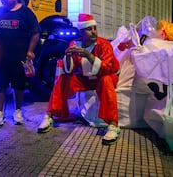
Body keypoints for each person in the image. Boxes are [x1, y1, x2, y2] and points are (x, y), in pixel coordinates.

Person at [37, 13, 121, 145]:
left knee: (106, 80)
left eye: (94, 28)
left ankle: (113, 125)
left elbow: (106, 68)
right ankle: (49, 115)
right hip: (86, 78)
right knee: (63, 79)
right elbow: (69, 69)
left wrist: (88, 55)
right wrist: (69, 57)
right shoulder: (74, 43)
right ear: (81, 32)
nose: (93, 32)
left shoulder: (103, 45)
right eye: (89, 29)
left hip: (106, 75)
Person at [0, 0, 40, 127]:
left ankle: (17, 111)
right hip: (0, 57)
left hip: (19, 57)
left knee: (19, 85)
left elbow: (35, 32)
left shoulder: (26, 12)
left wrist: (30, 51)